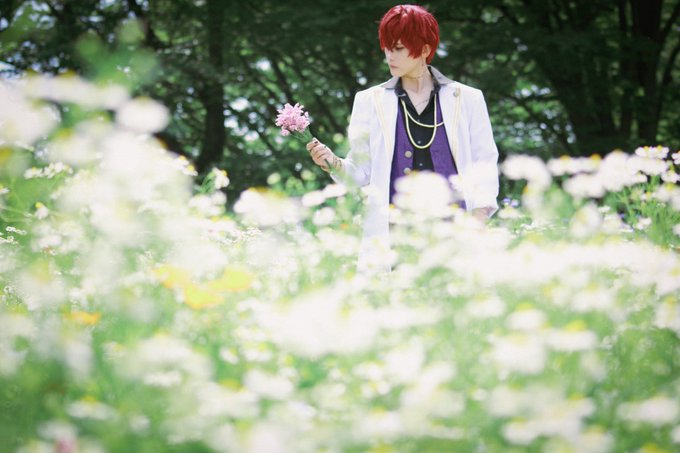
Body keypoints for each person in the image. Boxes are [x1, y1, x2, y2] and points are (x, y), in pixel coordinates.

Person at [307, 4, 499, 270]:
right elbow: (361, 172)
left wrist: (478, 219)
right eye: (386, 47)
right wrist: (332, 162)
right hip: (394, 238)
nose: (390, 55)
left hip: (456, 233)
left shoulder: (467, 99)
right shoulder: (368, 101)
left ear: (424, 49)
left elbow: (484, 163)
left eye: (398, 48)